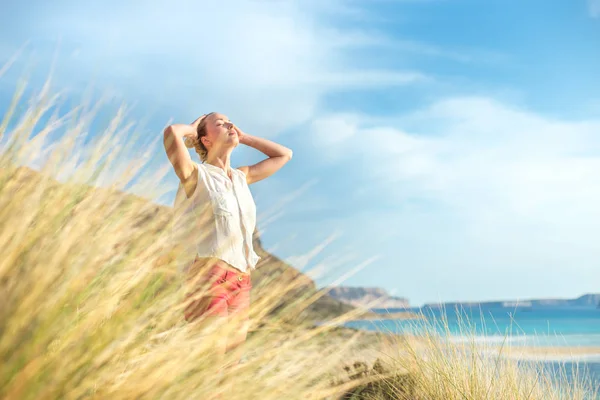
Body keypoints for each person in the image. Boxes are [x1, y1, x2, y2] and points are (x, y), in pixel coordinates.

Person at [163, 112, 292, 372]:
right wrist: (191, 128)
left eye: (230, 121)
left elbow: (284, 154)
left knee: (229, 370)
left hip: (241, 282)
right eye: (220, 124)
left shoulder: (242, 177)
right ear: (206, 140)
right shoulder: (195, 175)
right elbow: (171, 134)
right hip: (208, 279)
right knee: (208, 366)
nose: (229, 124)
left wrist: (243, 137)